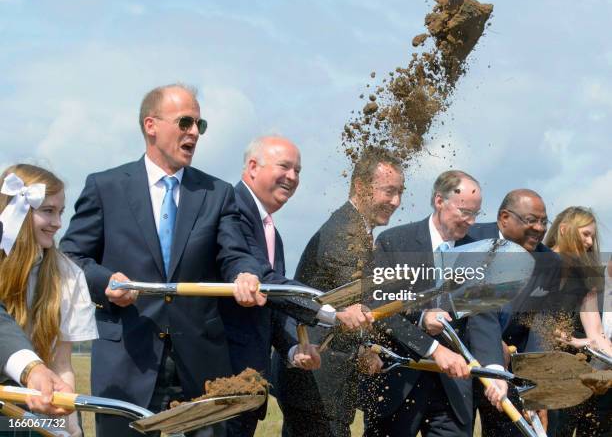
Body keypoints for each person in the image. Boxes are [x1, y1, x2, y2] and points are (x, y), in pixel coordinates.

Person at [60, 84, 265, 437]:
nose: (193, 133)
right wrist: (105, 283)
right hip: (127, 360)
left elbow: (234, 254)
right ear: (150, 125)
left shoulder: (218, 194)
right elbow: (71, 256)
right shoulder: (105, 187)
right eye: (185, 122)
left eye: (199, 125)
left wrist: (245, 273)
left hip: (202, 366)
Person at [220, 135, 373, 436]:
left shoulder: (271, 233)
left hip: (248, 381)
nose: (292, 177)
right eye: (284, 166)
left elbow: (271, 304)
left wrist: (292, 349)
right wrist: (333, 313)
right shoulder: (232, 209)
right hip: (220, 373)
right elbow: (269, 281)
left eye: (298, 171)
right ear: (252, 167)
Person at [364, 170, 506, 437]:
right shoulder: (394, 242)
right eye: (464, 211)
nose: (471, 221)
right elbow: (377, 305)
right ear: (439, 201)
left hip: (453, 389)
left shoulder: (478, 253)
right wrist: (420, 318)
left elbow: (482, 318)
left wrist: (494, 371)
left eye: (476, 213)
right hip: (399, 382)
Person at [272, 148, 403, 437]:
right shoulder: (345, 232)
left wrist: (364, 348)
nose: (396, 202)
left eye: (400, 193)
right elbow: (363, 305)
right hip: (314, 380)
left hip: (322, 381)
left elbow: (349, 308)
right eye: (389, 191)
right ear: (360, 186)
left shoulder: (358, 229)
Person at [0, 164, 98, 436]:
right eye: (47, 211)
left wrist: (69, 426)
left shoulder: (68, 275)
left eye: (60, 212)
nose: (57, 223)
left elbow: (62, 363)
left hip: (35, 406)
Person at [466, 188, 562, 436]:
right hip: (458, 362)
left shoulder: (549, 263)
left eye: (543, 221)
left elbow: (541, 327)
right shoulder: (469, 241)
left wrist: (534, 388)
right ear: (504, 218)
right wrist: (494, 350)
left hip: (509, 370)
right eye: (531, 220)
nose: (540, 228)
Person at [542, 206, 611, 436]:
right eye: (586, 234)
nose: (591, 242)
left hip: (568, 377)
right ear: (564, 230)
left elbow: (597, 335)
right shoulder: (537, 264)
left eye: (593, 236)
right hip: (531, 370)